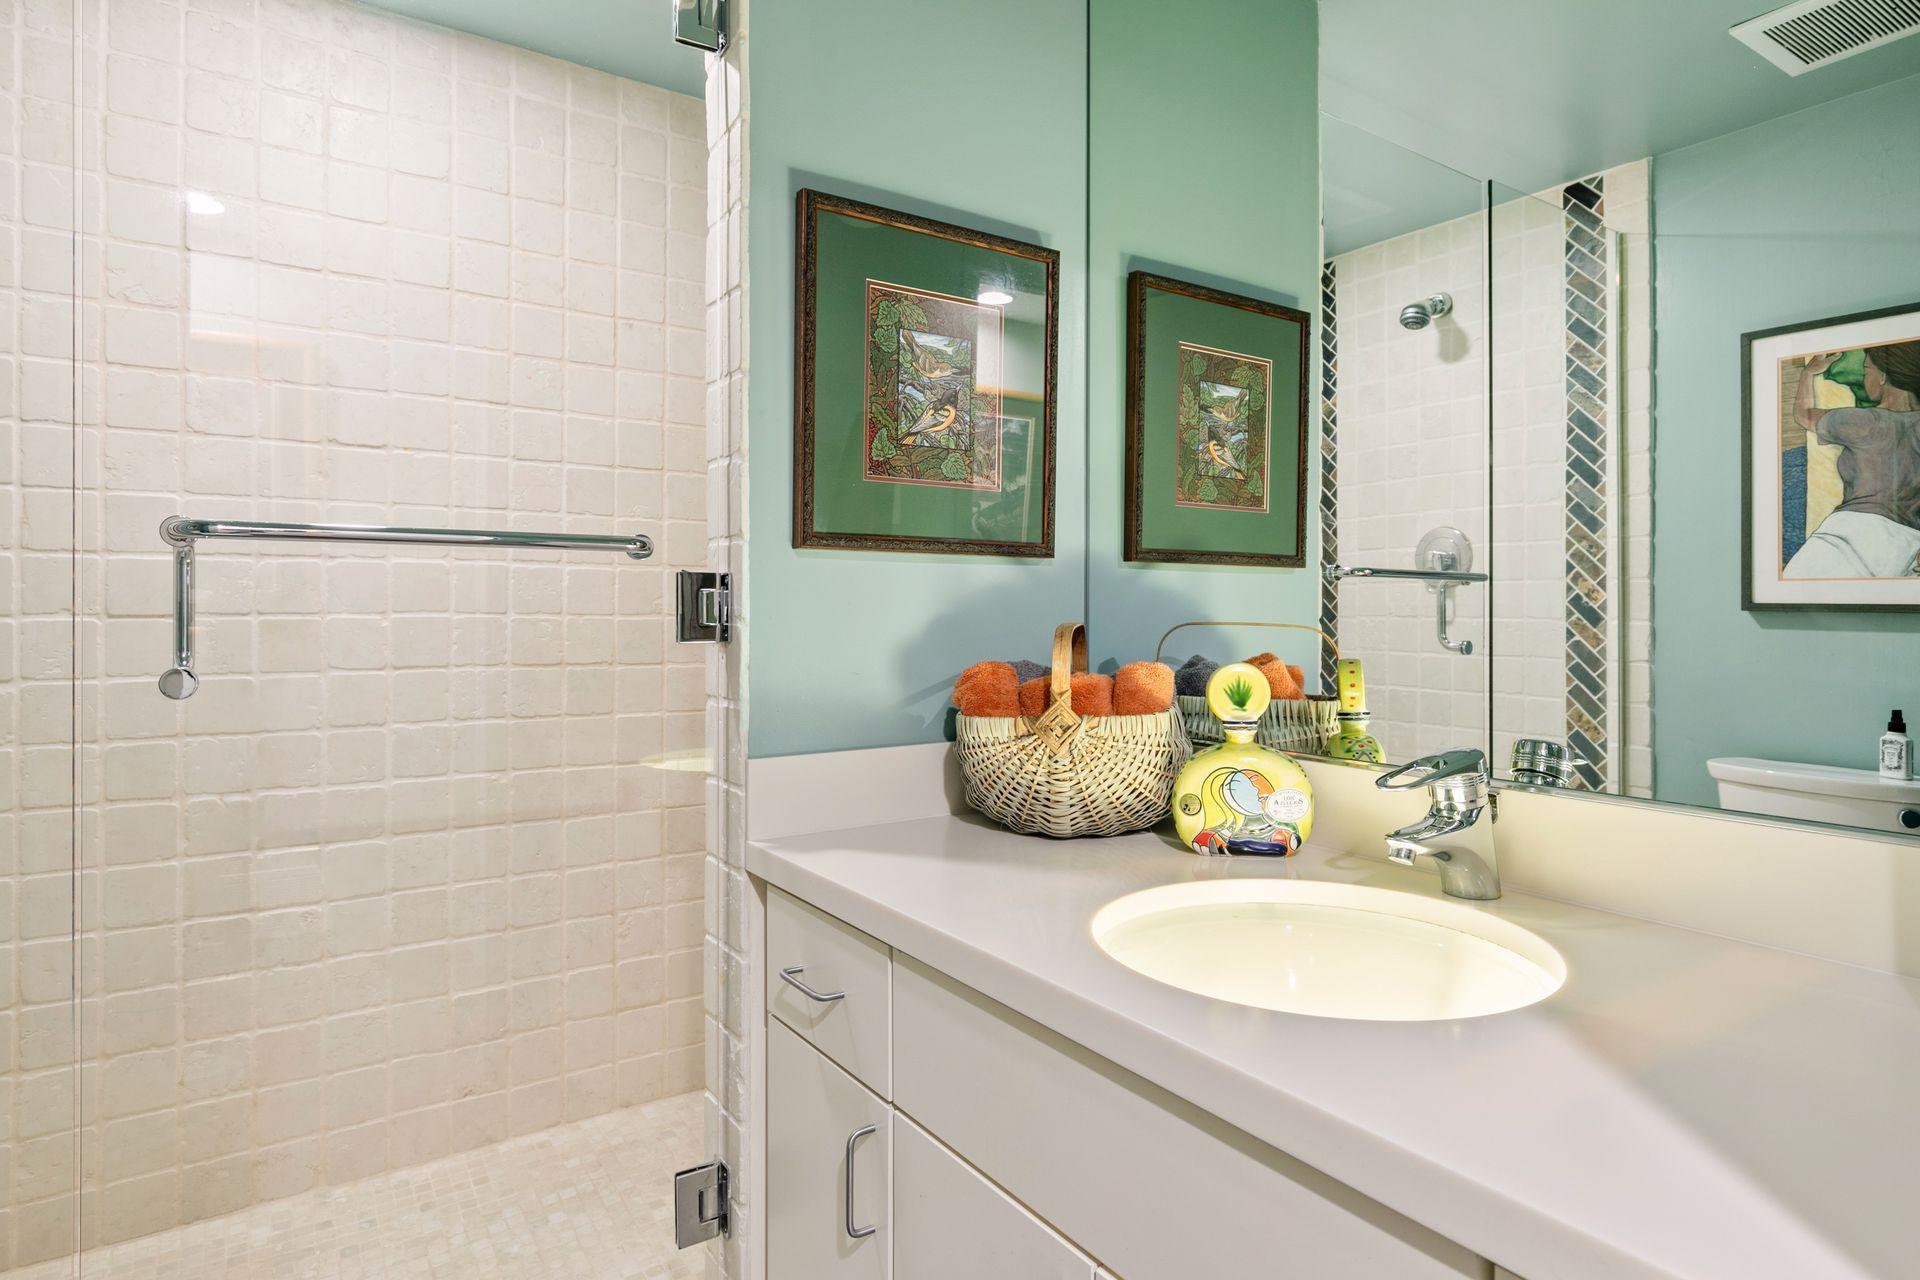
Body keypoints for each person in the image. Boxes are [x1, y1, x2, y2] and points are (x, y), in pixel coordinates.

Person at [1785, 341, 1920, 579]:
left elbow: (1803, 415)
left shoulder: (1862, 422)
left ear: (1882, 376)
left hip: (1851, 537)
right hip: (1907, 547)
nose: (1864, 378)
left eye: (1866, 370)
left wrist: (1808, 373)